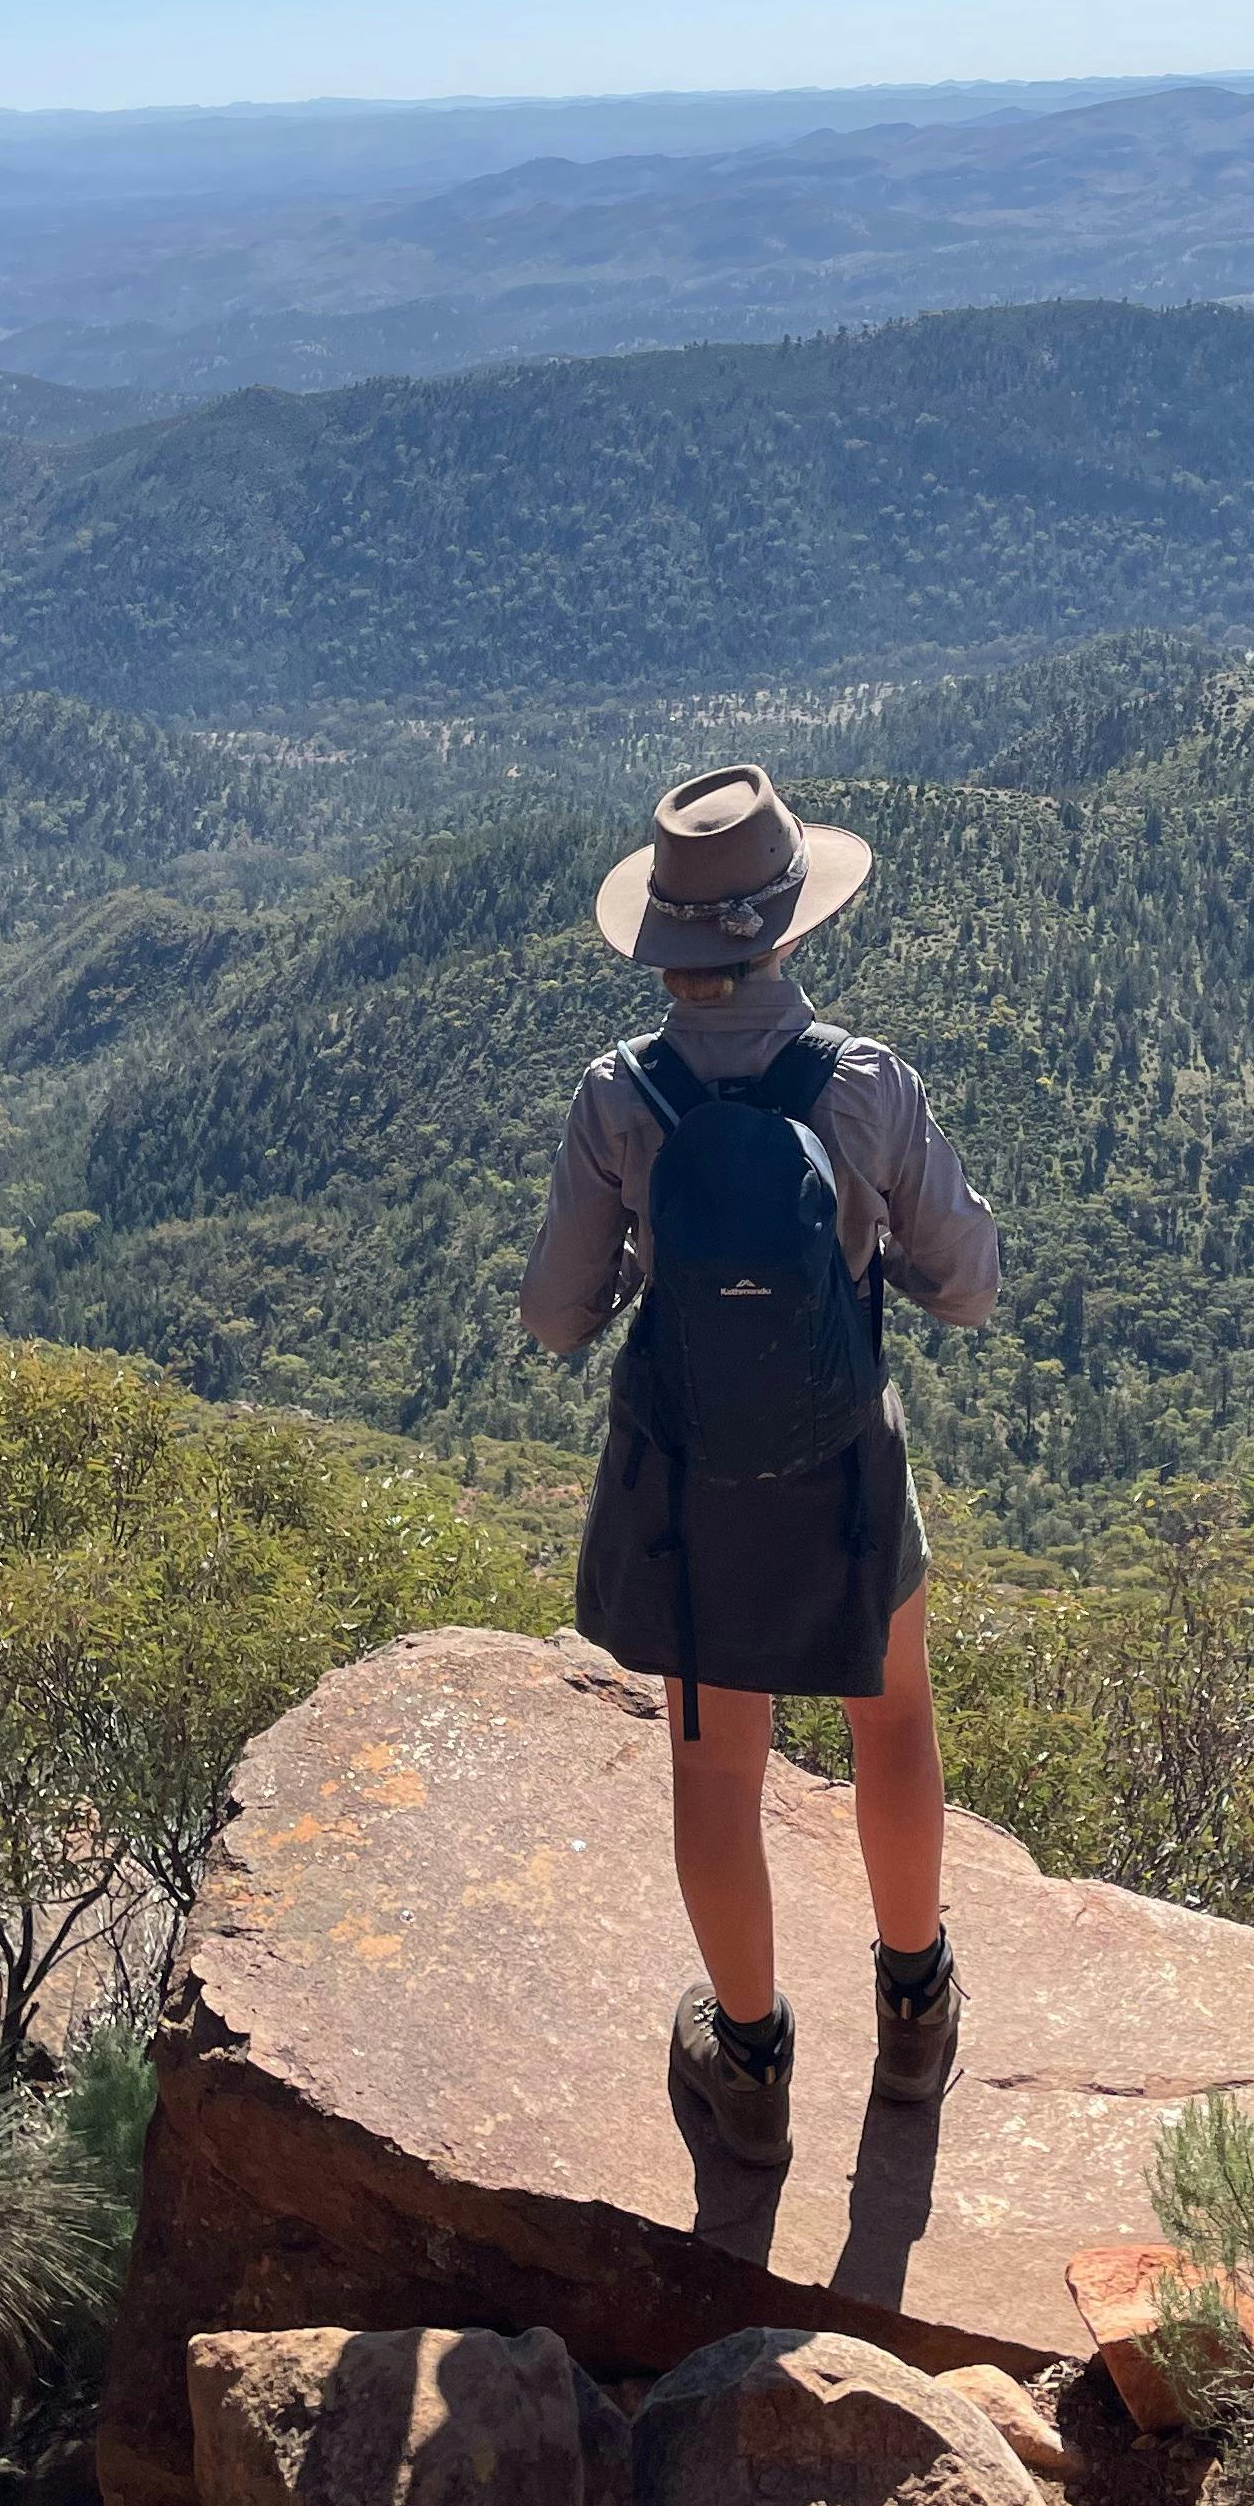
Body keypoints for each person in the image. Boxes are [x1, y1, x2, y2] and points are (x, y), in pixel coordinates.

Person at [520, 762, 999, 2171]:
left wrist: (639, 1275)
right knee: (892, 1721)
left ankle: (748, 2064)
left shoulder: (618, 1097)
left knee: (720, 1774)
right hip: (844, 1464)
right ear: (787, 930)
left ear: (669, 944)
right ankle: (914, 2017)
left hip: (691, 1487)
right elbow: (965, 1286)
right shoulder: (865, 1084)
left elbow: (556, 1315)